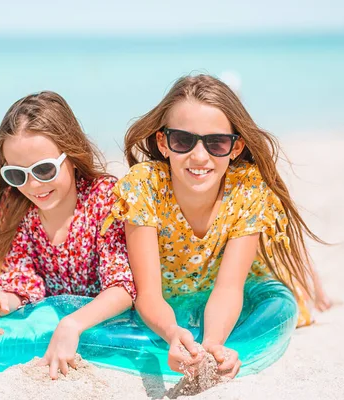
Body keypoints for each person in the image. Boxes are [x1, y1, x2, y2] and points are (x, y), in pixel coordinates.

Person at [102, 74, 331, 379]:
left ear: (236, 148)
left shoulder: (247, 189)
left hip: (234, 281)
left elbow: (229, 288)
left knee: (296, 292)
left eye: (217, 143)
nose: (199, 156)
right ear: (163, 142)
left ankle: (309, 277)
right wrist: (171, 333)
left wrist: (213, 342)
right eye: (183, 140)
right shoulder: (145, 186)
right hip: (171, 295)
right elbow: (149, 294)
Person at [0, 91, 136, 379]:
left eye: (45, 169)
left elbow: (124, 286)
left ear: (72, 156)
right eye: (17, 174)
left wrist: (72, 324)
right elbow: (21, 280)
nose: (33, 185)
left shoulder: (104, 201)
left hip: (107, 323)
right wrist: (3, 299)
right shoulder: (15, 208)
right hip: (51, 319)